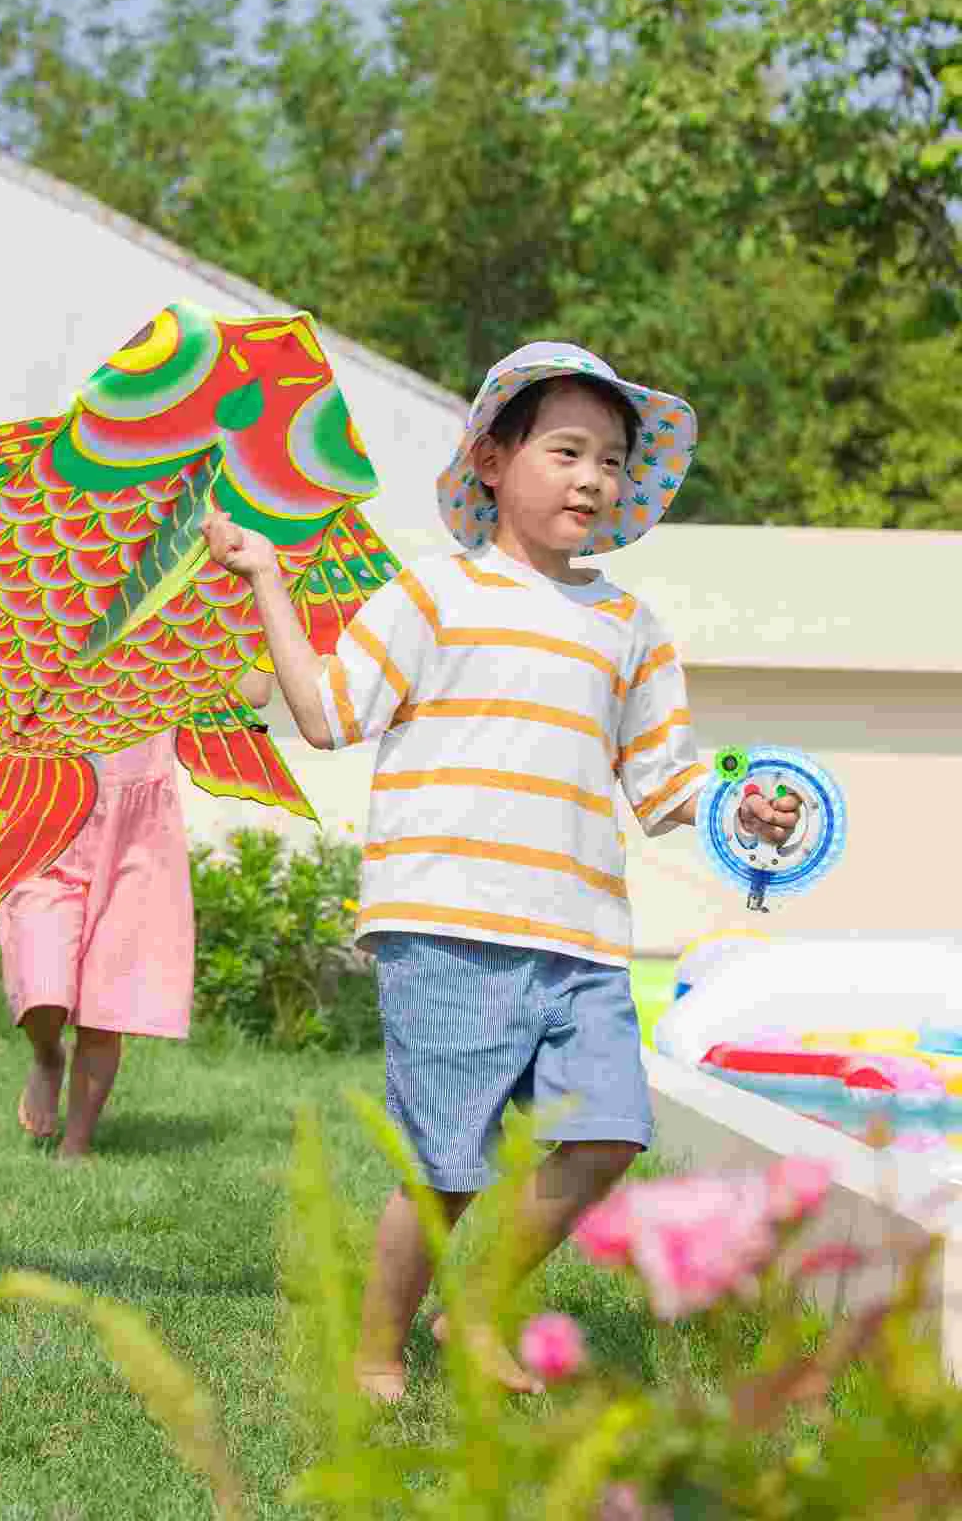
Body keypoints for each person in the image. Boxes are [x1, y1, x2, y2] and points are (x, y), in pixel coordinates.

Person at [201, 341, 800, 1397]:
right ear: (491, 459)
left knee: (609, 1131)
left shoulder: (629, 627)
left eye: (611, 460)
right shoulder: (430, 598)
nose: (591, 479)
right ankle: (379, 1350)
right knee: (445, 1167)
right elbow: (329, 713)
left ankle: (471, 1311)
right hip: (446, 923)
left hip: (578, 937)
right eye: (566, 450)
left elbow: (667, 786)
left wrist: (741, 799)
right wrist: (266, 581)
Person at [0, 669, 275, 1159]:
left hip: (133, 842)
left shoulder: (166, 633)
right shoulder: (53, 616)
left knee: (107, 1006)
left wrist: (186, 654)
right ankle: (46, 1055)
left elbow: (256, 691)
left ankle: (75, 1149)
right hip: (50, 828)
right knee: (41, 985)